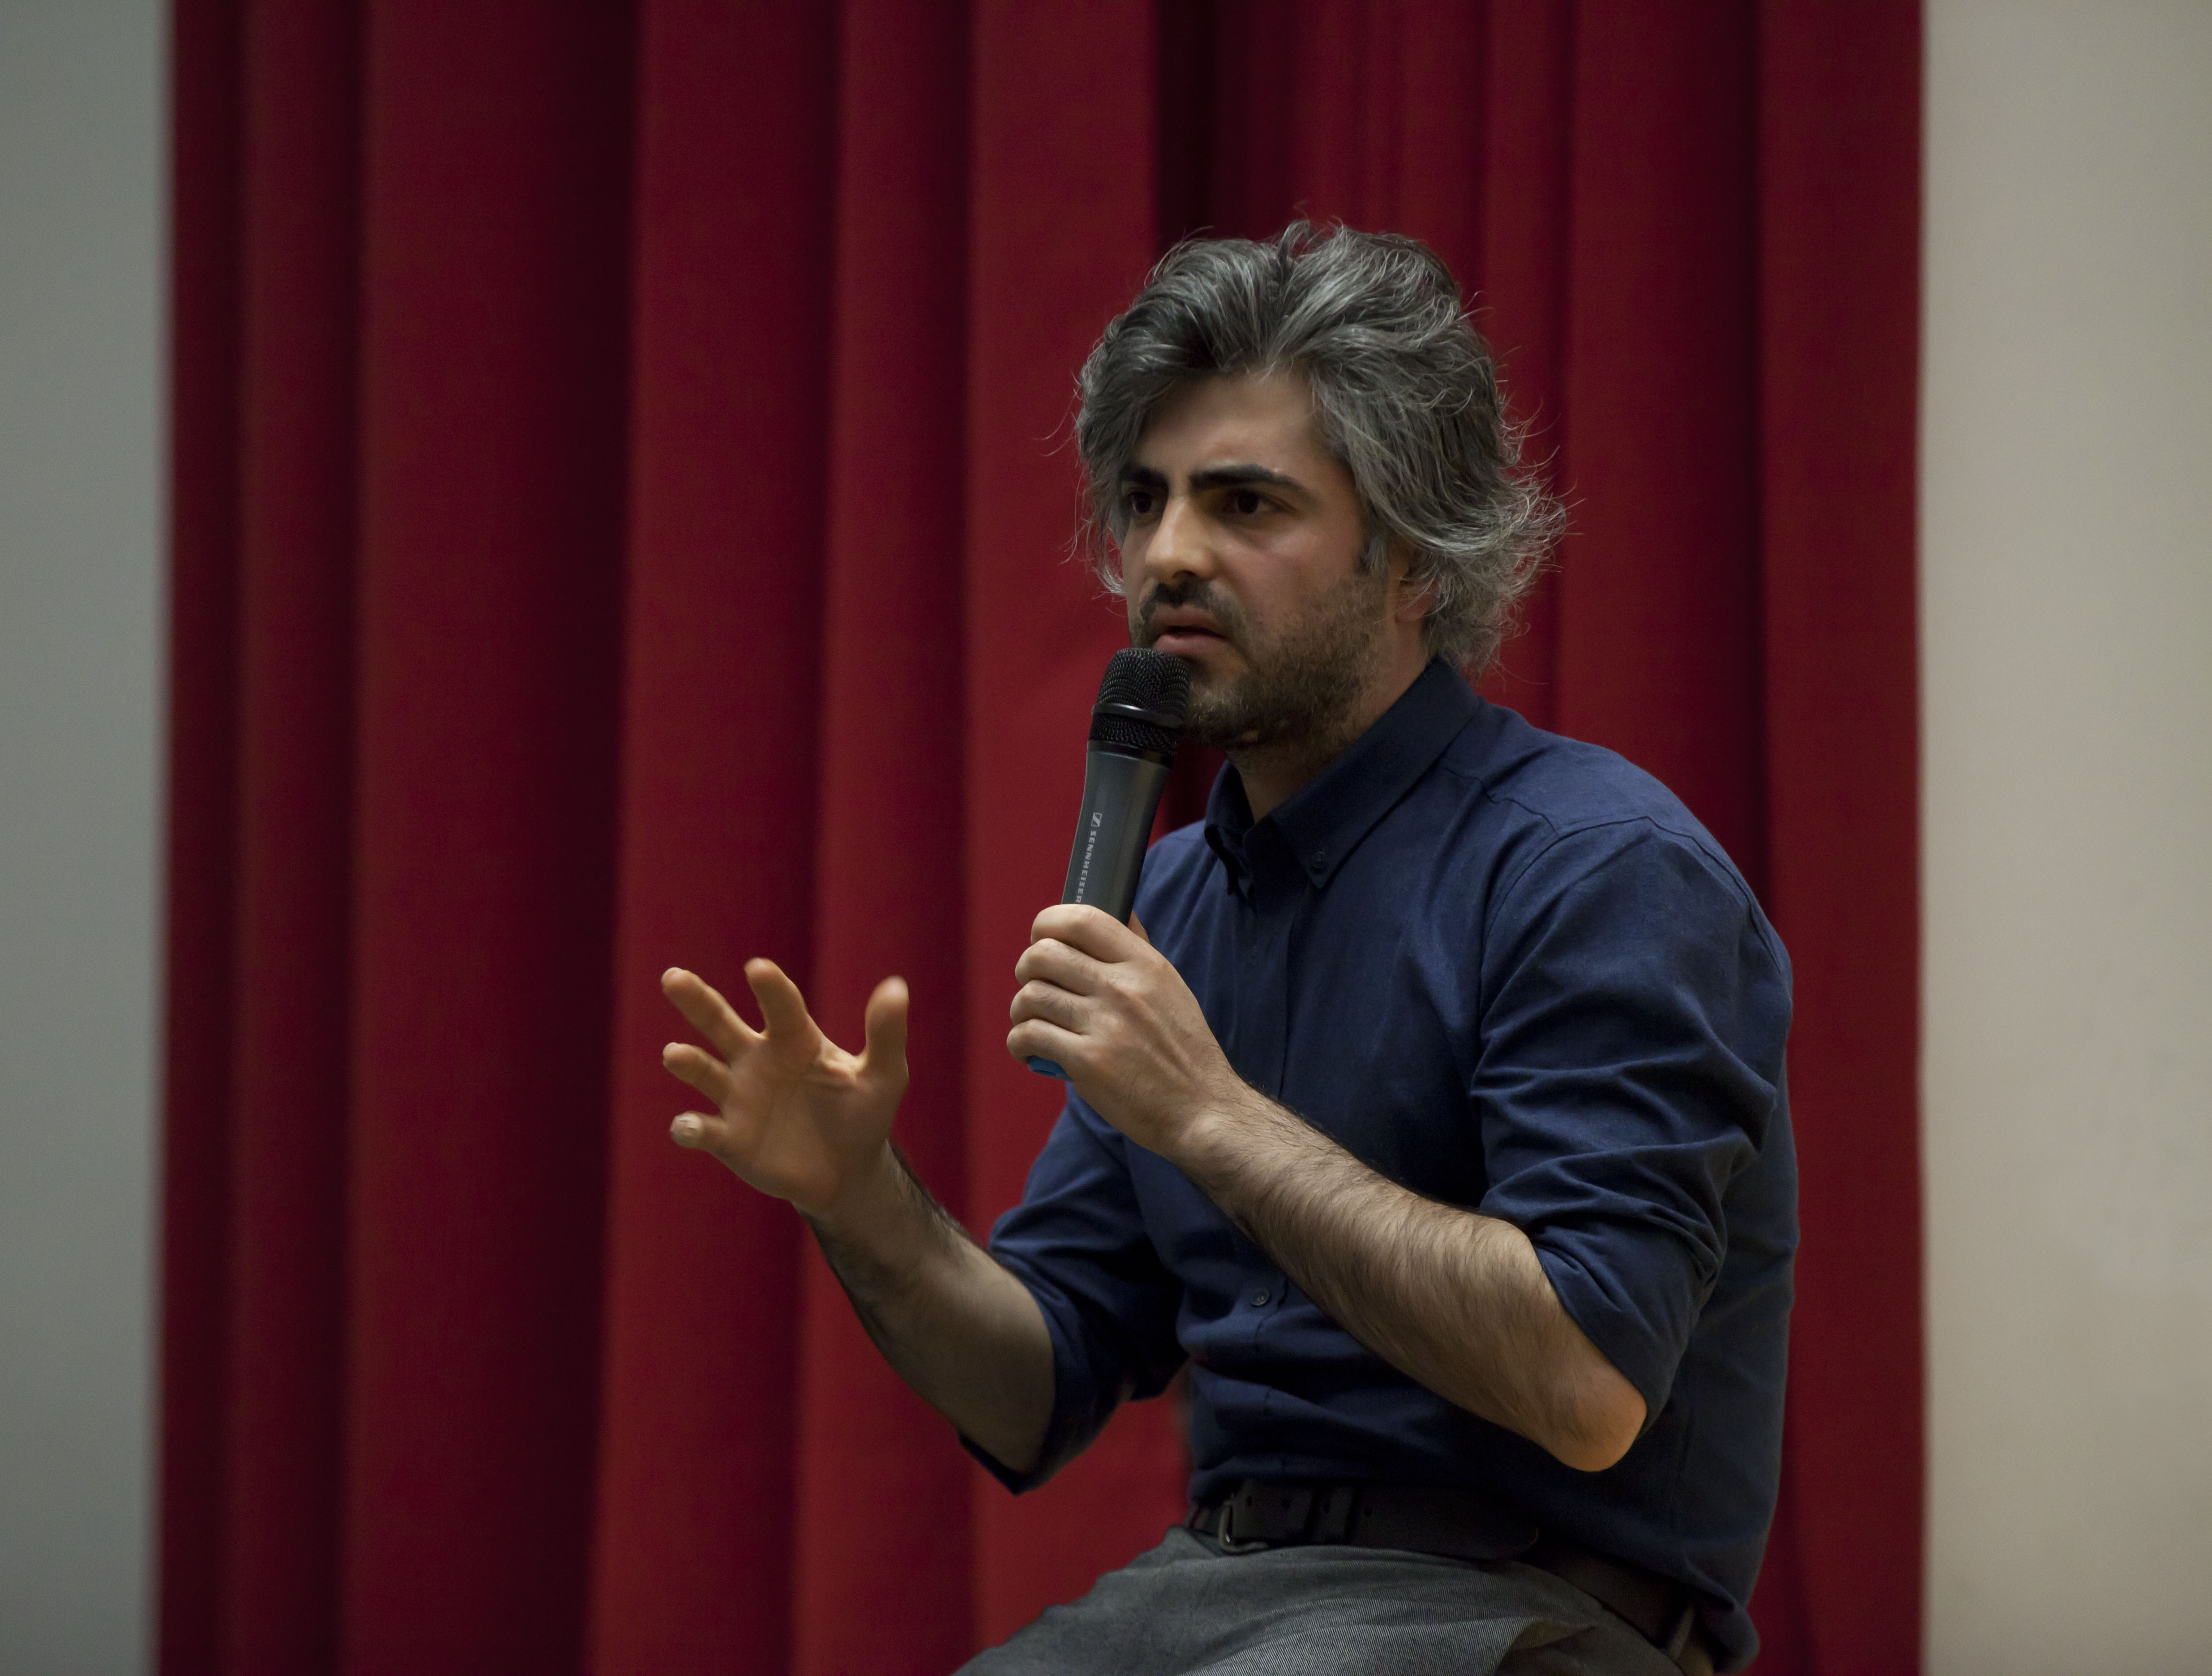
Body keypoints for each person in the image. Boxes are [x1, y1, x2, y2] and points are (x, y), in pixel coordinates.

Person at [656, 223, 1794, 1676]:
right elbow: (1036, 1387)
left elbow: (1586, 1384)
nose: (1170, 554)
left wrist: (1206, 1114)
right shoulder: (1179, 897)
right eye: (1145, 501)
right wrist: (859, 1197)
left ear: (1413, 554)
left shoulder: (1599, 868)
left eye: (1246, 502)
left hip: (1534, 1610)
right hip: (1219, 1588)